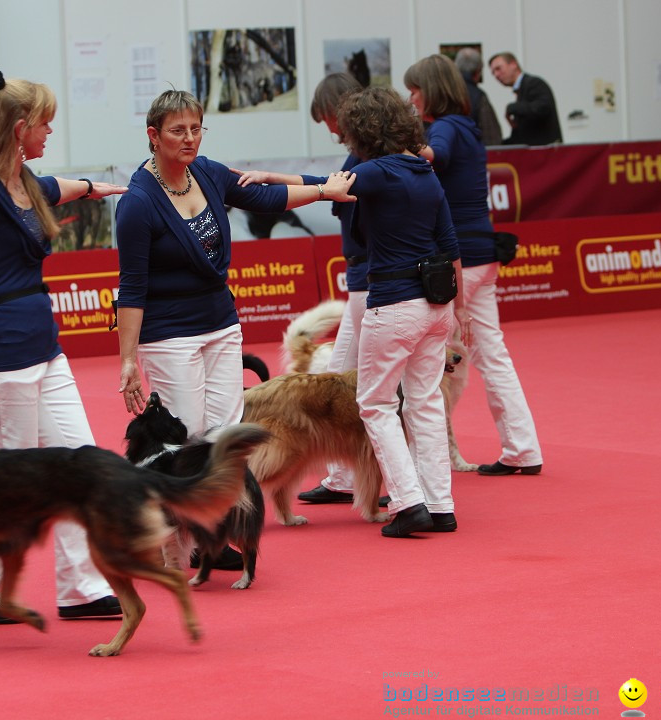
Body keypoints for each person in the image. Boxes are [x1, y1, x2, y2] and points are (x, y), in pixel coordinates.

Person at [0, 71, 128, 624]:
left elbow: (52, 188)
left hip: (46, 352)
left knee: (79, 465)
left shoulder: (25, 181)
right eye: (44, 122)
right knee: (6, 483)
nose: (50, 129)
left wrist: (93, 187)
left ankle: (82, 591)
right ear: (19, 129)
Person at [114, 89, 354, 436]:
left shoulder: (208, 172)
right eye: (178, 130)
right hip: (169, 335)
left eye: (196, 129)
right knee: (188, 435)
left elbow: (267, 198)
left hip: (221, 323)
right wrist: (127, 360)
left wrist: (323, 190)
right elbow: (132, 287)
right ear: (153, 135)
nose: (190, 138)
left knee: (227, 434)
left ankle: (229, 493)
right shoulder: (137, 203)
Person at [335, 86, 472, 537]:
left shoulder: (375, 172)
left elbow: (326, 189)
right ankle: (441, 506)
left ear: (362, 130)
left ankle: (409, 502)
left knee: (374, 404)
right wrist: (459, 311)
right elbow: (451, 245)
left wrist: (270, 179)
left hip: (393, 304)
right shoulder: (424, 171)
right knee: (426, 402)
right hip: (436, 306)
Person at [232, 72, 369, 505]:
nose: (328, 129)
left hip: (373, 284)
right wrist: (275, 177)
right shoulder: (360, 158)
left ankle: (378, 479)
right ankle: (349, 475)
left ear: (341, 109)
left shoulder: (367, 160)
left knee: (356, 387)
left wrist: (276, 179)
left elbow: (329, 189)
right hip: (367, 283)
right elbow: (328, 185)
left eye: (328, 119)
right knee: (344, 383)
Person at [404, 54, 544, 477]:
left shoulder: (444, 128)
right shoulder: (468, 126)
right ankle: (523, 449)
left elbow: (434, 155)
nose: (410, 99)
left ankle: (419, 464)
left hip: (458, 259)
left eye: (414, 91)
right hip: (483, 252)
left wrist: (392, 142)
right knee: (493, 354)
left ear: (431, 91)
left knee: (424, 359)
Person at [488, 52, 563, 145]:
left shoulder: (534, 83)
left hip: (545, 153)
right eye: (493, 73)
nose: (496, 75)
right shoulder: (522, 89)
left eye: (498, 69)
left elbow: (542, 108)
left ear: (513, 64)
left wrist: (512, 108)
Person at [453, 48, 503, 147]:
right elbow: (492, 137)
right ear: (478, 72)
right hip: (471, 157)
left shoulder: (443, 92)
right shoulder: (478, 96)